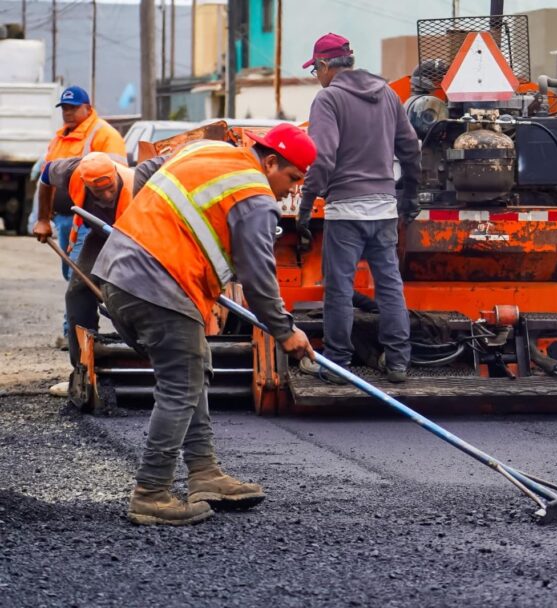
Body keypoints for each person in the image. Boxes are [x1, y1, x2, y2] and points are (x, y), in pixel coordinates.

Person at [91, 124, 317, 526]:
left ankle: (204, 472)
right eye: (293, 178)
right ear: (270, 162)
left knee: (193, 371)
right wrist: (285, 331)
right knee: (181, 384)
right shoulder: (255, 196)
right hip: (159, 283)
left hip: (119, 273)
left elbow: (144, 172)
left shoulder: (206, 151)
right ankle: (152, 493)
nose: (292, 190)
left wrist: (157, 227)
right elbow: (259, 277)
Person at [296, 33, 421, 384]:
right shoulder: (387, 94)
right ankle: (397, 362)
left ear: (323, 65)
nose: (316, 77)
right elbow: (410, 148)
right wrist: (409, 195)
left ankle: (337, 364)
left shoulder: (328, 100)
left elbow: (322, 157)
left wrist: (306, 206)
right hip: (384, 209)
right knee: (390, 287)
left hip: (345, 212)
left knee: (338, 289)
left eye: (315, 70)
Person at [33, 153, 135, 389]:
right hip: (100, 237)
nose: (107, 196)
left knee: (130, 295)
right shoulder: (69, 170)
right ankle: (82, 367)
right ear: (86, 183)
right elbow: (45, 175)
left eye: (111, 188)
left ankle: (151, 356)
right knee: (77, 292)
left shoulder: (136, 185)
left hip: (138, 242)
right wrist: (43, 219)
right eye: (100, 192)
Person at [42, 85, 127, 350]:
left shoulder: (105, 135)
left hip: (123, 228)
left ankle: (136, 337)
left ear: (87, 108)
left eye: (73, 107)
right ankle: (81, 350)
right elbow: (46, 176)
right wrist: (43, 218)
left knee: (123, 286)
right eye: (64, 108)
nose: (67, 112)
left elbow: (115, 174)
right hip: (82, 222)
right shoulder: (64, 143)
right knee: (78, 282)